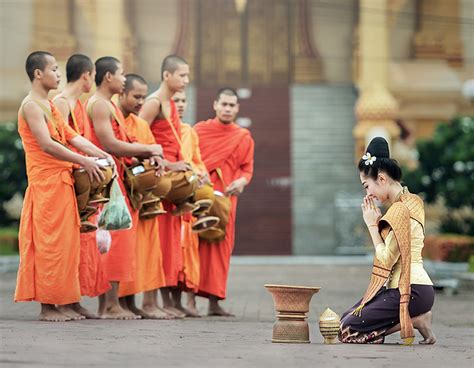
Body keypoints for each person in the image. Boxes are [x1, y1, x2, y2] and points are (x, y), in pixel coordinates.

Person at [14, 51, 107, 321]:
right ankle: (47, 307)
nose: (58, 73)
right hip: (45, 185)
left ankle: (65, 301)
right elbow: (46, 144)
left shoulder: (50, 105)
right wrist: (83, 161)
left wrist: (101, 156)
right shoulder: (31, 105)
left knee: (67, 246)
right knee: (49, 245)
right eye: (53, 68)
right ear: (37, 74)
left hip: (62, 182)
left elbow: (72, 136)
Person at [338, 137, 436, 345]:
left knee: (347, 330)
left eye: (367, 186)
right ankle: (415, 318)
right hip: (415, 288)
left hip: (411, 290)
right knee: (346, 318)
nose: (368, 194)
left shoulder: (401, 210)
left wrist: (372, 225)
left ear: (381, 179)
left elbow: (386, 258)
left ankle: (415, 320)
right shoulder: (412, 201)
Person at [87, 56, 163, 319]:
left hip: (116, 179)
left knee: (116, 241)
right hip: (107, 182)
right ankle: (109, 306)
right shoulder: (98, 104)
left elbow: (123, 143)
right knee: (113, 240)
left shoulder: (108, 105)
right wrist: (148, 148)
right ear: (108, 77)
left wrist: (145, 156)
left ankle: (110, 304)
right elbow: (110, 144)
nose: (123, 78)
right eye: (120, 74)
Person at [53, 54, 112, 320]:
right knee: (65, 245)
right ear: (87, 75)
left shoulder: (77, 104)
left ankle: (74, 299)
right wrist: (86, 161)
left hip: (80, 179)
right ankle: (60, 302)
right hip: (64, 180)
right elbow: (60, 144)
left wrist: (100, 157)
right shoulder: (62, 103)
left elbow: (78, 139)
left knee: (82, 245)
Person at [193, 88, 254, 316]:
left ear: (237, 108)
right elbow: (190, 159)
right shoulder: (199, 131)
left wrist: (241, 182)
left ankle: (214, 302)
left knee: (221, 248)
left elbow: (247, 168)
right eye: (224, 104)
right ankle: (189, 300)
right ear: (215, 105)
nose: (227, 109)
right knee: (196, 245)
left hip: (227, 199)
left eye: (232, 105)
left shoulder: (243, 136)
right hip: (202, 197)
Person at [139, 55, 191, 317]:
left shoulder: (170, 103)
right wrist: (169, 166)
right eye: (182, 75)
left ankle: (157, 301)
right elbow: (137, 139)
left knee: (166, 244)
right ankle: (148, 302)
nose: (186, 80)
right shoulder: (153, 103)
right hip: (156, 180)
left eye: (187, 75)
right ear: (166, 75)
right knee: (153, 242)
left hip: (171, 184)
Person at [117, 74, 172, 319]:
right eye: (136, 96)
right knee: (124, 248)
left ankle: (139, 303)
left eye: (143, 96)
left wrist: (156, 161)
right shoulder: (115, 118)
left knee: (146, 251)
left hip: (143, 196)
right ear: (121, 94)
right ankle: (122, 303)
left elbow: (150, 149)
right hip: (121, 192)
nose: (141, 101)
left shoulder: (139, 124)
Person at [171, 90, 208, 317]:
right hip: (172, 197)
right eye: (176, 101)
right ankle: (173, 301)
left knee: (191, 251)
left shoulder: (189, 132)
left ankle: (191, 301)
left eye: (184, 100)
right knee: (174, 250)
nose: (181, 105)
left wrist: (201, 173)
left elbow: (197, 160)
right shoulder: (162, 128)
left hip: (190, 198)